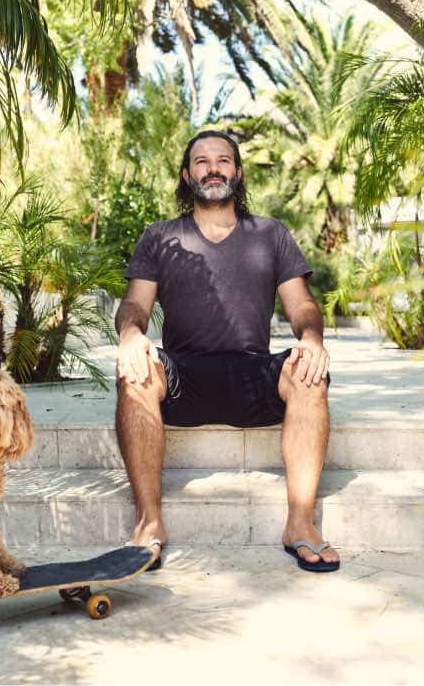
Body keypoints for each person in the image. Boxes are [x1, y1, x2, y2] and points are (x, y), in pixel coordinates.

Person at [114, 130, 340, 573]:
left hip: (252, 373)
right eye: (201, 161)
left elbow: (302, 306)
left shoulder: (269, 234)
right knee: (135, 370)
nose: (212, 168)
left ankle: (300, 523)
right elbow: (135, 304)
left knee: (310, 371)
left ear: (237, 172)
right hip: (183, 377)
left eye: (222, 160)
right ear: (186, 174)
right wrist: (130, 336)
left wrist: (311, 338)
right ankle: (149, 523)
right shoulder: (159, 236)